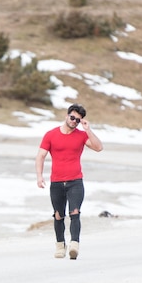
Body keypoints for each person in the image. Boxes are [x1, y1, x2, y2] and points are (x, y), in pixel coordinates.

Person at [35, 103, 103, 259]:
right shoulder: (51, 135)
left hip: (75, 182)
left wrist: (88, 130)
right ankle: (60, 246)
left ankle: (74, 245)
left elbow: (99, 148)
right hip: (57, 182)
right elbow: (40, 156)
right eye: (72, 118)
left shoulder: (82, 135)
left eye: (78, 120)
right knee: (58, 215)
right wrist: (39, 176)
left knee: (75, 213)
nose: (74, 121)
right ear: (66, 116)